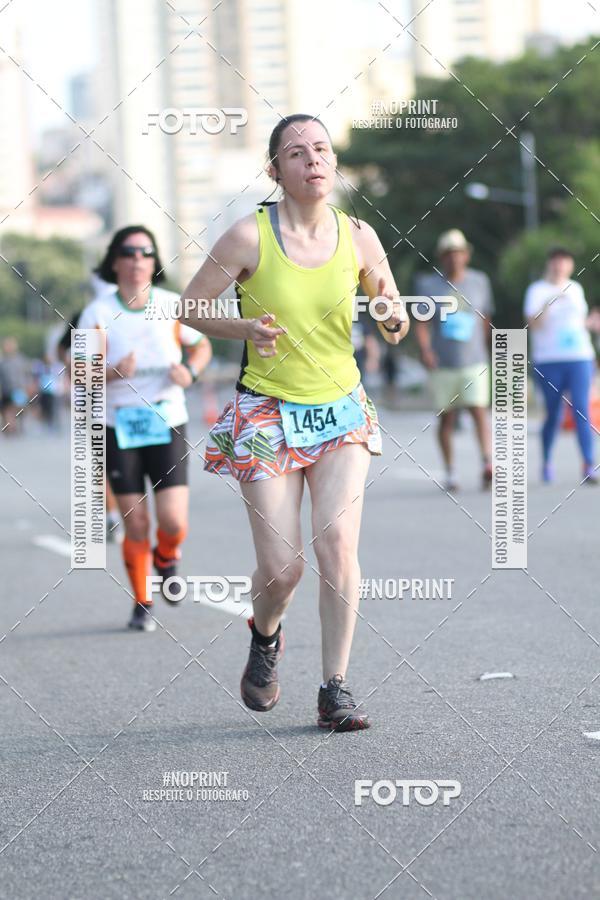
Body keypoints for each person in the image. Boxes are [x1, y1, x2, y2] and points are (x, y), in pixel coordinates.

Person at [180, 113, 408, 732]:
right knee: (283, 569)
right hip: (265, 410)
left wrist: (391, 314)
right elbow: (192, 308)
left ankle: (335, 687)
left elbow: (394, 318)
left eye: (322, 149)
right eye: (297, 152)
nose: (313, 160)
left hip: (340, 407)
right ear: (274, 170)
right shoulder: (248, 237)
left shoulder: (359, 235)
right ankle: (266, 632)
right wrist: (245, 327)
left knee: (337, 547)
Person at [78, 225, 212, 630]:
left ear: (154, 263)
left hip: (166, 419)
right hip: (118, 426)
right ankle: (142, 601)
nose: (138, 259)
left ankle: (167, 556)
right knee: (135, 522)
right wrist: (115, 372)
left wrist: (190, 370)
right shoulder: (98, 312)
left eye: (146, 253)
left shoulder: (172, 304)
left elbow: (201, 345)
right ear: (115, 261)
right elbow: (79, 371)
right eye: (129, 252)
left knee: (173, 521)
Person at [414, 229, 494, 492]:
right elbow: (422, 323)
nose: (454, 258)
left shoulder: (479, 281)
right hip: (444, 363)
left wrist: (484, 347)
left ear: (466, 255)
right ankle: (450, 471)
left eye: (458, 253)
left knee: (479, 411)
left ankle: (487, 463)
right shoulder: (430, 285)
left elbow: (484, 319)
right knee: (447, 419)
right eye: (449, 254)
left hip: (474, 361)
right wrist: (426, 350)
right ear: (442, 257)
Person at [524, 247, 598, 483]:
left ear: (570, 266)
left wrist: (592, 322)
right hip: (549, 360)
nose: (559, 266)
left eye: (564, 262)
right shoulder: (537, 290)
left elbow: (578, 322)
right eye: (555, 262)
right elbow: (533, 324)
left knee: (581, 409)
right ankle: (546, 460)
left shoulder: (576, 289)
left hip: (579, 356)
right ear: (549, 264)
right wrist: (551, 301)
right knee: (553, 413)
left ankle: (588, 463)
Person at [0, 337, 30, 436]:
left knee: (19, 411)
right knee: (7, 412)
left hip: (19, 390)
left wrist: (28, 387)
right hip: (6, 391)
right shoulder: (2, 361)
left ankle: (17, 429)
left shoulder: (21, 360)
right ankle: (9, 430)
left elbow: (27, 375)